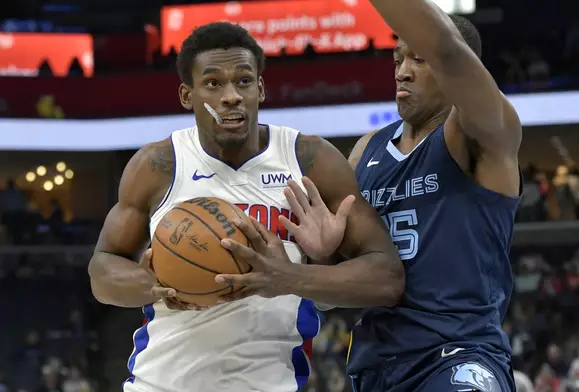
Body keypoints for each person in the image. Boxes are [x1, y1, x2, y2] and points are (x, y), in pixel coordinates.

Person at [87, 22, 404, 392]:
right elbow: (101, 271)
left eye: (243, 81)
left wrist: (298, 273)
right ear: (187, 95)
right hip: (159, 384)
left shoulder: (308, 161)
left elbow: (387, 279)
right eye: (213, 83)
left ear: (261, 89)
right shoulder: (159, 165)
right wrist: (155, 283)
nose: (231, 96)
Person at [268, 2, 523, 391]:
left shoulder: (478, 136)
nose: (402, 72)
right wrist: (325, 255)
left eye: (418, 59)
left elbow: (449, 50)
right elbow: (332, 298)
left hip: (457, 356)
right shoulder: (367, 149)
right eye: (398, 58)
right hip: (376, 365)